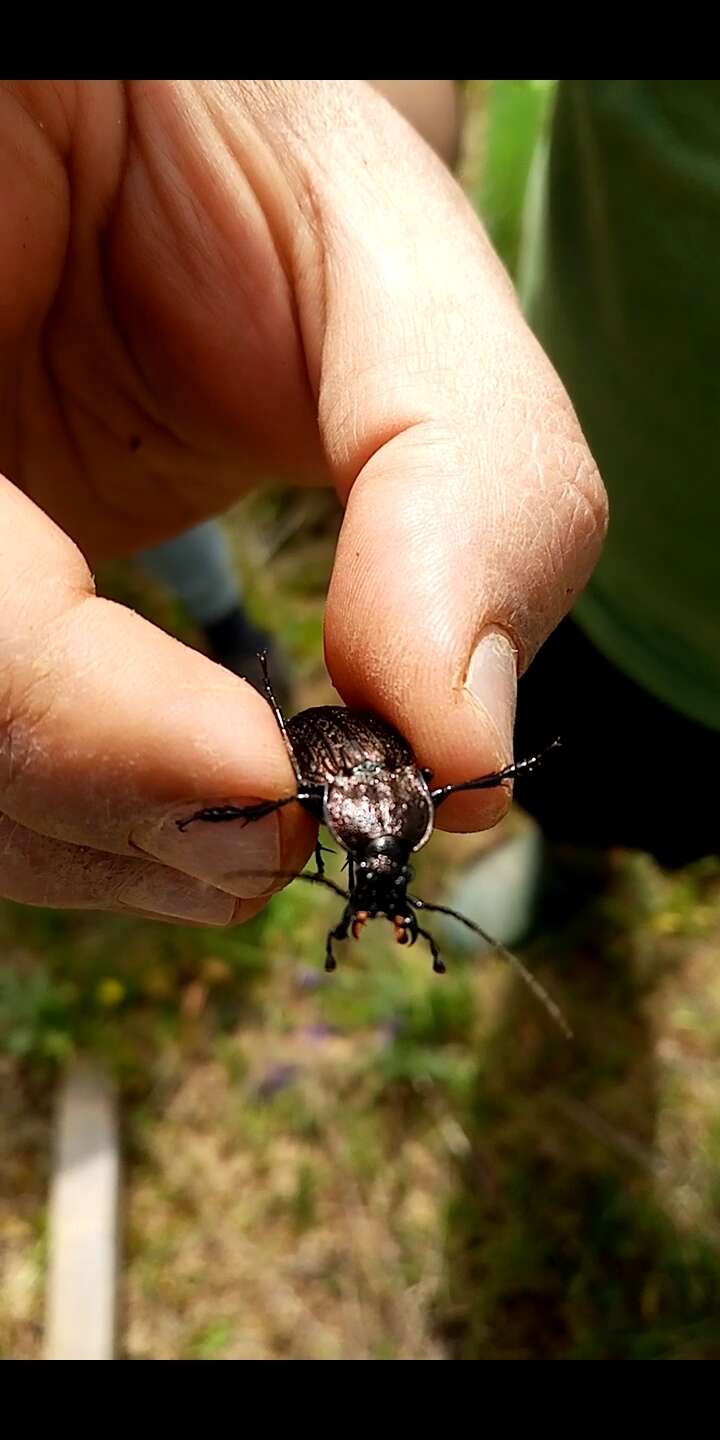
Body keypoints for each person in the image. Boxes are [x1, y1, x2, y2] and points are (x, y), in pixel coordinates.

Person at [0, 78, 609, 927]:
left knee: (267, 809)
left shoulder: (391, 814)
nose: (376, 878)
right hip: (346, 751)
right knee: (264, 802)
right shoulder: (393, 810)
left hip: (340, 751)